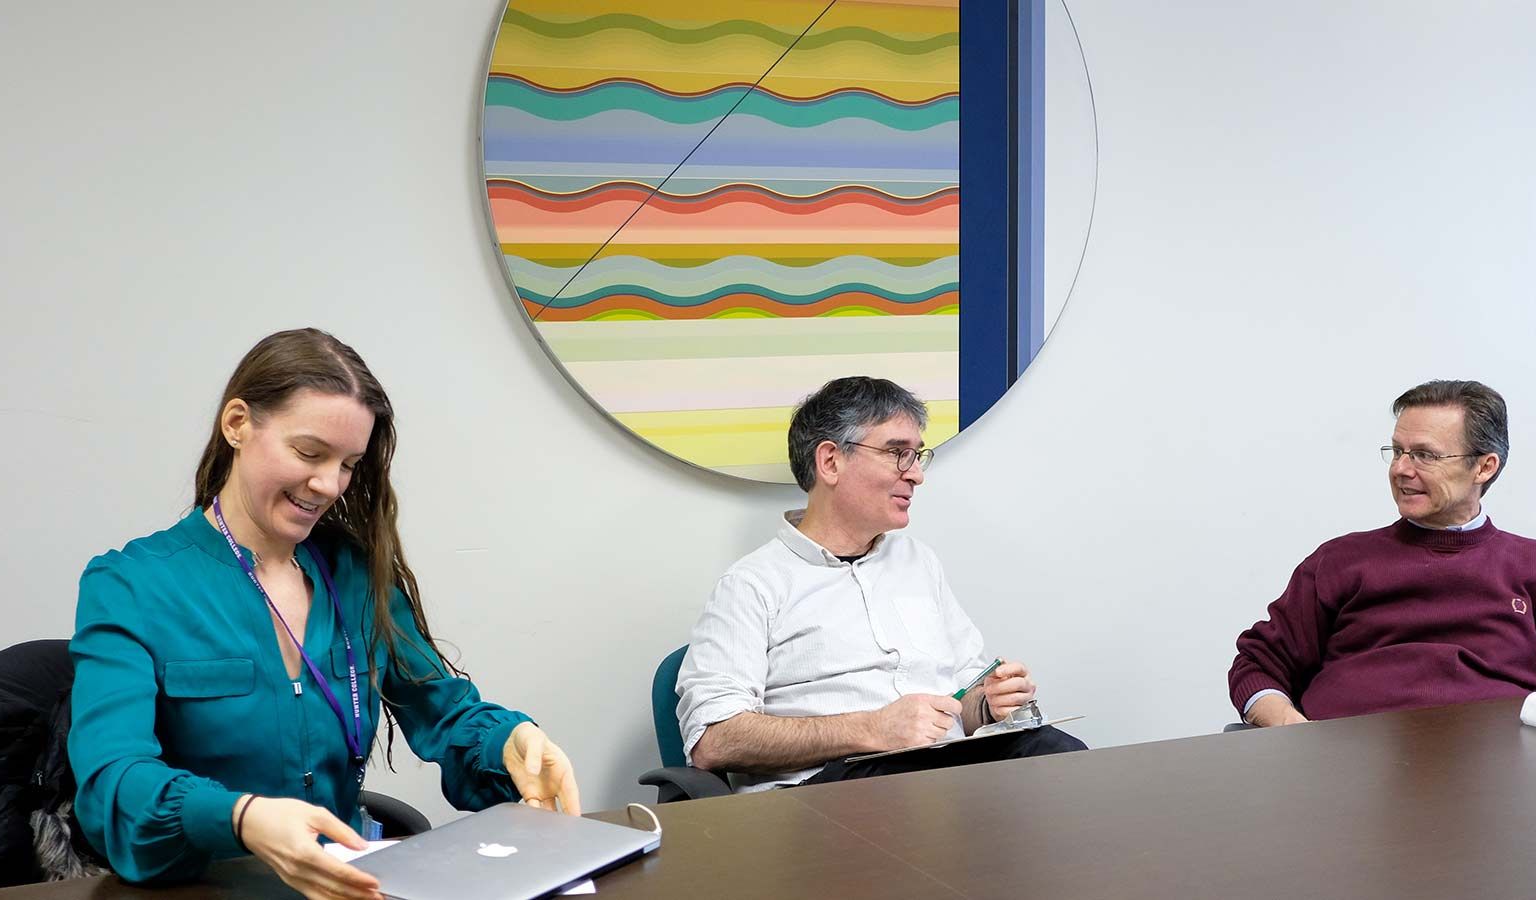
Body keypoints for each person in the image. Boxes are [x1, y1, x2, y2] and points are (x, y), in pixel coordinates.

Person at [69, 329, 580, 898]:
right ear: (237, 423)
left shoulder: (354, 575)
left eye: (348, 464)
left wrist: (507, 741)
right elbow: (112, 784)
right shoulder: (131, 585)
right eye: (310, 453)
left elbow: (444, 711)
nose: (329, 485)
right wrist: (242, 818)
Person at [677, 376, 1084, 792]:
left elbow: (962, 702)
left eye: (917, 456)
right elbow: (713, 740)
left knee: (1064, 760)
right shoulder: (752, 584)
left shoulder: (918, 562)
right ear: (830, 462)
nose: (915, 476)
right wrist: (873, 728)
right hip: (835, 789)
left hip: (947, 773)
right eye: (896, 454)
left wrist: (988, 704)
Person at [1229, 379, 1536, 727]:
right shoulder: (1339, 561)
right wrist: (1292, 729)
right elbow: (1257, 664)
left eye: (1424, 455)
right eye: (1398, 451)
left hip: (1499, 771)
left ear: (1484, 466)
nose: (1401, 469)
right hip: (1346, 768)